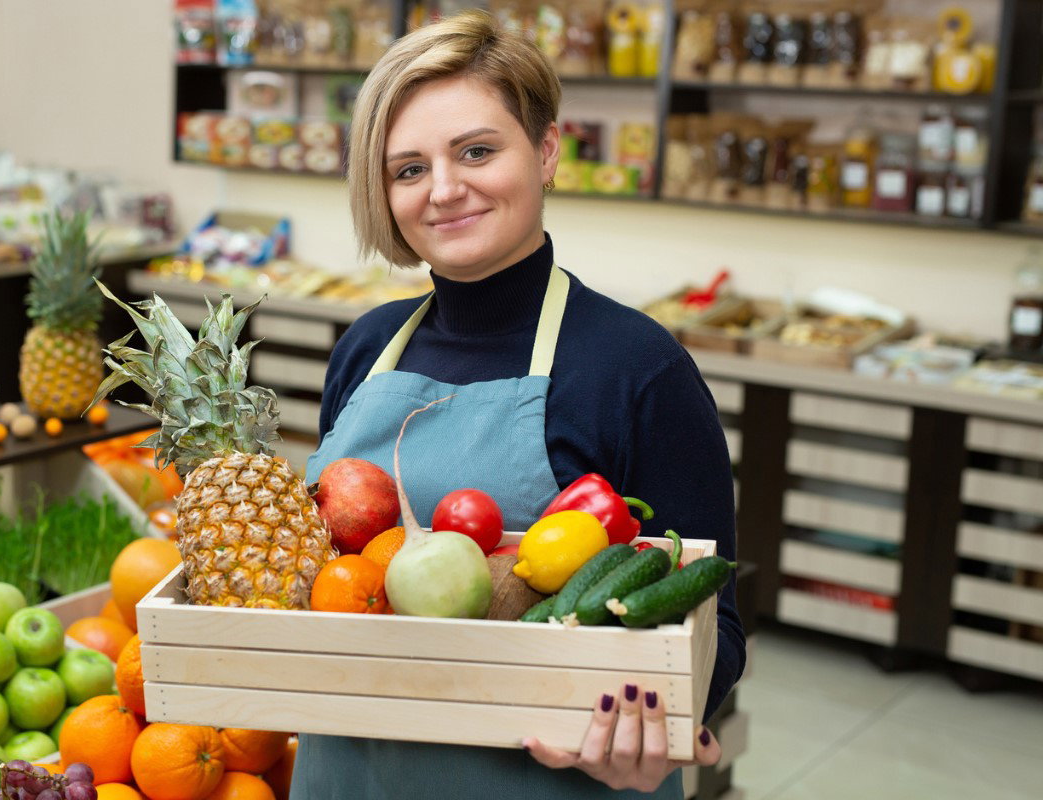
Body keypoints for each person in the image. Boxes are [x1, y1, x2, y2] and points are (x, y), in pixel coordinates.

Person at [294, 11, 745, 799]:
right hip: (350, 774)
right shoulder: (366, 348)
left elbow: (718, 624)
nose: (444, 190)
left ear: (546, 152)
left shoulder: (637, 367)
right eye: (408, 169)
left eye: (477, 151)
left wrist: (654, 727)